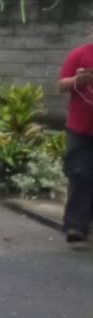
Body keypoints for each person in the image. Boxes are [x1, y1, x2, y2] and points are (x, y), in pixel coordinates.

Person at [57, 34, 93, 246]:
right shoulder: (79, 54)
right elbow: (61, 85)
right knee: (80, 173)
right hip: (80, 127)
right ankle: (75, 226)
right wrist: (77, 81)